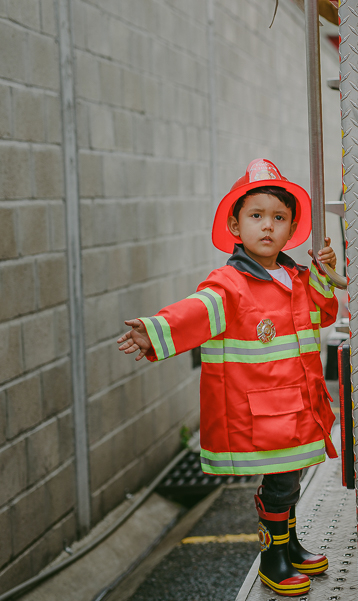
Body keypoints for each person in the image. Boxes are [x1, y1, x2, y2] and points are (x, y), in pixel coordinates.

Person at [117, 158, 339, 597]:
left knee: (289, 478)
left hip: (298, 403)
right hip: (264, 412)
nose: (268, 226)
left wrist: (321, 277)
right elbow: (197, 311)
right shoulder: (231, 282)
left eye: (279, 218)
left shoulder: (294, 276)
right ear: (236, 227)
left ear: (291, 227)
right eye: (256, 216)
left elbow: (323, 313)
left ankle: (289, 546)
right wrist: (156, 329)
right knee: (279, 483)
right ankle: (273, 559)